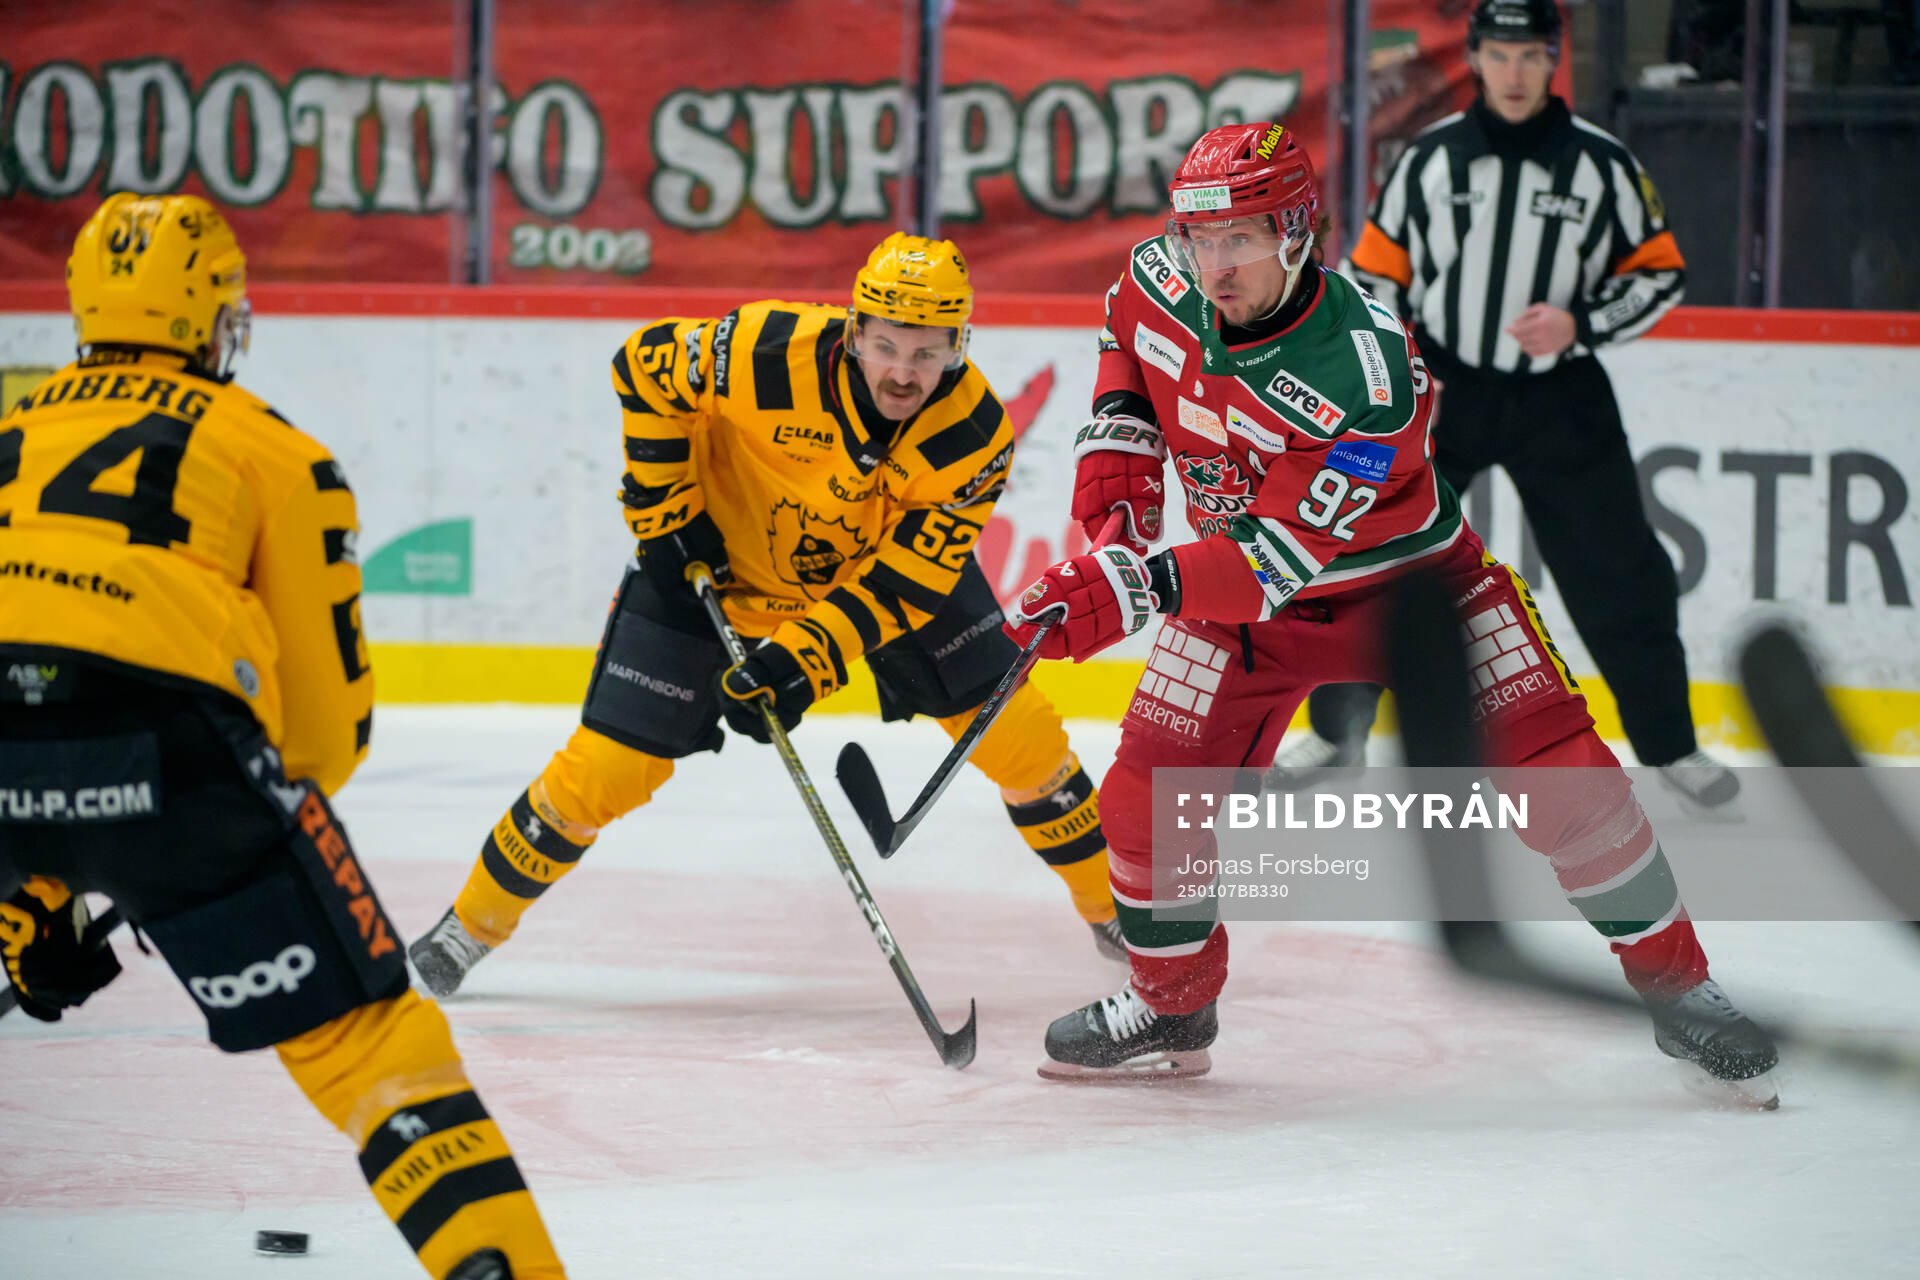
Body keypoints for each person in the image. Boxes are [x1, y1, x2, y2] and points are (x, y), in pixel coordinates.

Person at [1003, 120, 1778, 1104]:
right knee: (1146, 801)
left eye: (1238, 239)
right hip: (1244, 610)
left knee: (1570, 787)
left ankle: (1681, 988)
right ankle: (1171, 999)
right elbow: (1126, 349)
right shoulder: (1157, 277)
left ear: (1295, 232)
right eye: (1200, 238)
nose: (1212, 264)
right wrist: (1116, 484)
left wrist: (1138, 585)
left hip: (1413, 594)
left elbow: (1278, 555)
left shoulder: (1370, 375)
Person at [0, 194, 565, 1279]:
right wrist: (156, 851)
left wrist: (34, 888)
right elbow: (321, 735)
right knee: (372, 1047)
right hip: (167, 753)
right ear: (218, 319)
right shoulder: (272, 451)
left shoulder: (9, 433)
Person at [408, 233, 1124, 997]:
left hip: (874, 576)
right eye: (886, 347)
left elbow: (908, 582)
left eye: (927, 353)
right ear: (854, 332)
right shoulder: (764, 348)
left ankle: (1118, 914)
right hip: (709, 565)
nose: (903, 373)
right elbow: (645, 365)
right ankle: (470, 924)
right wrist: (664, 514)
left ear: (959, 344)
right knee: (604, 771)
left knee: (1022, 740)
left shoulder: (974, 435)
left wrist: (801, 661)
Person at [1268, 0, 1738, 815]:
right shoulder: (1427, 161)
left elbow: (1659, 273)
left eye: (1530, 56)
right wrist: (1402, 369)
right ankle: (1335, 733)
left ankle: (1671, 747)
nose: (1515, 73)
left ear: (1552, 60)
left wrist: (1578, 324)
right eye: (1499, 54)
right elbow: (1374, 276)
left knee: (1620, 571)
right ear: (1476, 59)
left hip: (1561, 395)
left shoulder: (1603, 164)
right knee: (1361, 550)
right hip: (1439, 391)